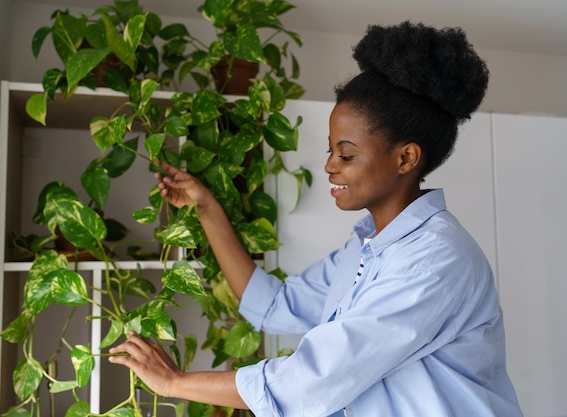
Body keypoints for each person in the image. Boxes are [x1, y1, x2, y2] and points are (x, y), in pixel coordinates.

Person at [109, 21, 524, 416]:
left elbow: (311, 381)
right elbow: (271, 306)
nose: (329, 166)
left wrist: (174, 382)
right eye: (330, 151)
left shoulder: (434, 261)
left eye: (345, 154)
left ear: (405, 158)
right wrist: (206, 207)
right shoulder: (362, 252)